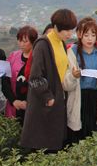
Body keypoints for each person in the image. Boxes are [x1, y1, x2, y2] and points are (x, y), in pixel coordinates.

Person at [20, 9, 77, 151]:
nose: (70, 34)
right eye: (67, 30)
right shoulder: (43, 44)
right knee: (41, 146)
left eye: (71, 30)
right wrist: (48, 97)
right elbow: (35, 77)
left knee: (54, 144)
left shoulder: (61, 43)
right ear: (56, 27)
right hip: (43, 104)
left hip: (57, 100)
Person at [64, 17, 97, 143]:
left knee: (95, 137)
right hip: (78, 98)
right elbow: (66, 85)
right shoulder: (72, 52)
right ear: (79, 35)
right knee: (77, 135)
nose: (90, 39)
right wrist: (73, 76)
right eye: (86, 35)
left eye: (93, 35)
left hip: (96, 99)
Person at [2, 25, 38, 124]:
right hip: (13, 104)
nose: (21, 44)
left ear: (33, 41)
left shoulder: (38, 59)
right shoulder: (13, 56)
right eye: (19, 40)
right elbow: (5, 81)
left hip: (32, 107)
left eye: (25, 41)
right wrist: (13, 101)